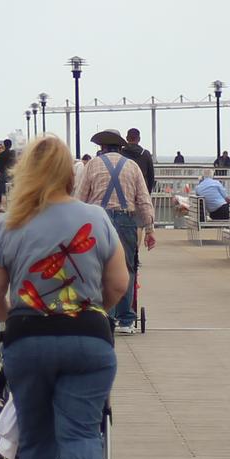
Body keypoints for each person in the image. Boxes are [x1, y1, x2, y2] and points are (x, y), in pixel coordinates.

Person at [0, 134, 129, 459]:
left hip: (29, 338)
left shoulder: (11, 223)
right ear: (70, 174)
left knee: (37, 429)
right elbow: (118, 284)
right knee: (83, 429)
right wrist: (96, 310)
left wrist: (12, 316)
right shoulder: (96, 219)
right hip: (88, 338)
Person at [77, 130, 156, 331]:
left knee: (99, 267)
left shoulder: (93, 165)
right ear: (120, 147)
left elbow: (81, 197)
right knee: (127, 267)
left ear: (102, 148)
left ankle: (105, 315)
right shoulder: (132, 166)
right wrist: (149, 229)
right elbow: (143, 199)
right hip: (126, 220)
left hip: (98, 220)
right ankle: (127, 319)